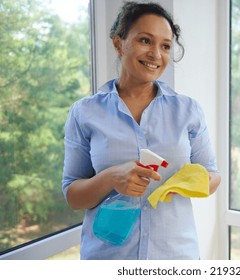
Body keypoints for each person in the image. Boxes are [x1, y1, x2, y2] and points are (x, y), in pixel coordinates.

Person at [62, 1, 221, 260]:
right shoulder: (85, 113)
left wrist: (187, 180)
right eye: (145, 41)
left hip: (176, 258)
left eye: (165, 46)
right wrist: (112, 177)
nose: (156, 54)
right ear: (118, 44)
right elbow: (73, 196)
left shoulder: (188, 110)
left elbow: (213, 176)